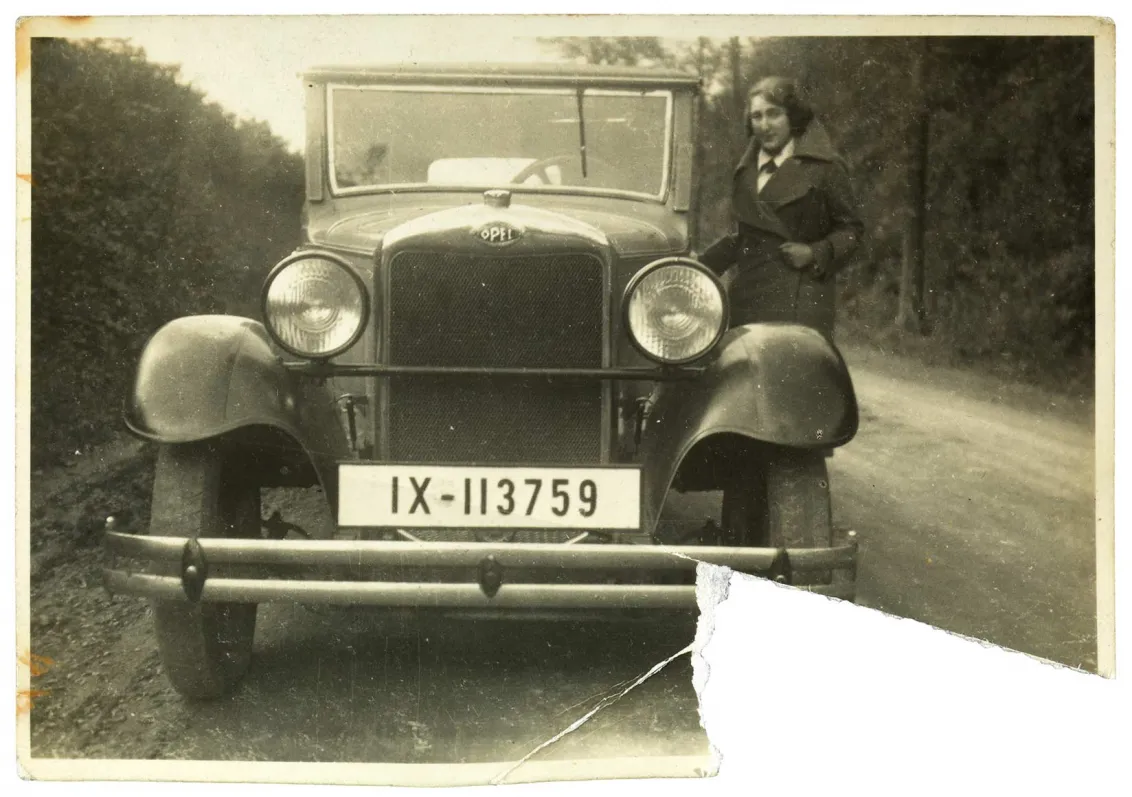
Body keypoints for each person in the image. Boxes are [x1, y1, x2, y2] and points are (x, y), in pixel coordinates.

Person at [699, 77, 863, 341]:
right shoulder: (745, 172)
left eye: (774, 114)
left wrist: (814, 252)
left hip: (801, 303)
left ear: (793, 117)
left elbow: (852, 230)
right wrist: (696, 266)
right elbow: (746, 237)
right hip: (747, 302)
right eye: (756, 116)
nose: (765, 125)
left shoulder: (826, 167)